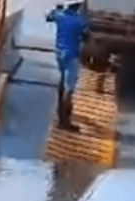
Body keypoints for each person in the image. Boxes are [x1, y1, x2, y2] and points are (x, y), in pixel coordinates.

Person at [46, 0, 89, 130]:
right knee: (69, 88)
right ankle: (65, 122)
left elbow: (49, 17)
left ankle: (60, 115)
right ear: (77, 6)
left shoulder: (60, 15)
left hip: (59, 53)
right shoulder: (79, 20)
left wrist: (56, 9)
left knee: (62, 82)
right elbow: (86, 35)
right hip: (71, 55)